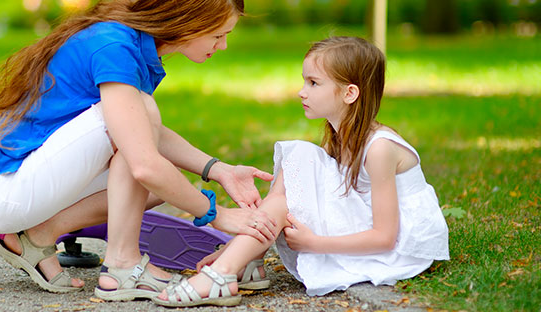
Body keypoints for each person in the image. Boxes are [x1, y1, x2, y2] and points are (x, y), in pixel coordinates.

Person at [0, 0, 277, 301]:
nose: (222, 46)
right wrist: (217, 216)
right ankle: (122, 265)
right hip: (1, 190)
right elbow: (141, 154)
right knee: (149, 147)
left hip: (18, 182)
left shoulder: (130, 41)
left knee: (162, 180)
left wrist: (219, 170)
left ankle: (37, 235)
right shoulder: (116, 46)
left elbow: (138, 132)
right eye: (219, 35)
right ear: (188, 22)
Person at [154, 36, 450, 307]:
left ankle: (225, 272)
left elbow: (386, 237)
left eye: (313, 83)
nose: (301, 92)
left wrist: (315, 244)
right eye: (304, 81)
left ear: (349, 93)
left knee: (294, 177)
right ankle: (245, 259)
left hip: (396, 245)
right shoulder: (341, 137)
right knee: (299, 156)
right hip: (361, 217)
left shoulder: (379, 149)